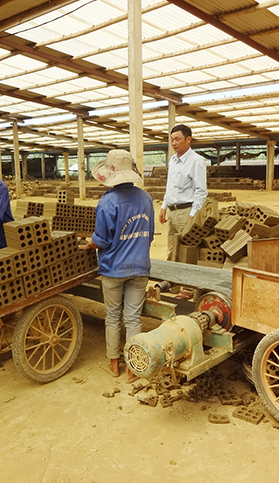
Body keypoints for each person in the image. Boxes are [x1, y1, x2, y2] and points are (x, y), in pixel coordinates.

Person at [81, 149, 155, 383]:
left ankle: (113, 364)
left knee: (113, 317)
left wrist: (88, 244)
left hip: (113, 269)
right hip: (140, 267)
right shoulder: (146, 198)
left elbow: (101, 239)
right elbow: (149, 234)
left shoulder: (107, 202)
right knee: (133, 318)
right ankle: (133, 368)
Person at [159, 124, 207, 299]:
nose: (173, 142)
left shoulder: (196, 161)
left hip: (186, 211)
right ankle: (173, 284)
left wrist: (193, 215)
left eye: (177, 139)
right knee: (172, 249)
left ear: (189, 139)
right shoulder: (173, 160)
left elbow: (201, 191)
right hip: (172, 211)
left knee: (187, 250)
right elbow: (170, 186)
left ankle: (187, 288)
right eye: (171, 139)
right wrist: (164, 206)